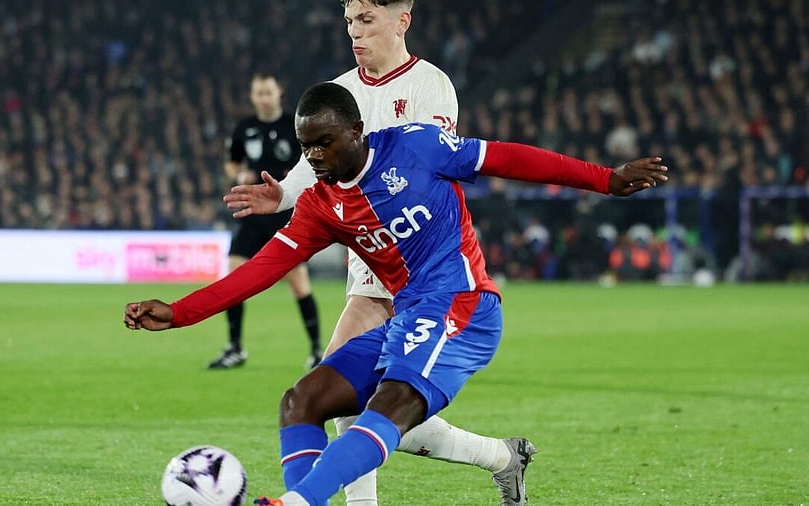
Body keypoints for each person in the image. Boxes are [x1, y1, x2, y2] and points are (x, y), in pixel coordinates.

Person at [124, 82, 670, 505]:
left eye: (324, 143)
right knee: (301, 402)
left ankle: (296, 500)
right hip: (408, 317)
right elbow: (261, 269)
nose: (313, 157)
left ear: (356, 130)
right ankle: (495, 459)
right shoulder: (320, 205)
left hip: (464, 306)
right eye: (305, 146)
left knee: (390, 407)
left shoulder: (419, 147)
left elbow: (510, 158)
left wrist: (606, 178)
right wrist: (179, 313)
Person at [222, 2, 532, 504]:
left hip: (422, 267)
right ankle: (500, 457)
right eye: (349, 22)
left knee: (365, 406)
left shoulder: (430, 85)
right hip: (368, 270)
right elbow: (317, 167)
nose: (354, 32)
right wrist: (281, 194)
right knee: (341, 402)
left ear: (401, 21)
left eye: (366, 20)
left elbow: (424, 161)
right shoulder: (340, 92)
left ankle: (499, 457)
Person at [210, 72, 323, 370]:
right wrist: (237, 175)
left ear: (279, 93)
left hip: (286, 213)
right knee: (232, 276)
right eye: (258, 93)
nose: (263, 98)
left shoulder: (293, 126)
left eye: (268, 92)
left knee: (298, 283)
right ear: (252, 95)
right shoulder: (244, 128)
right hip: (253, 212)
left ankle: (316, 351)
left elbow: (312, 159)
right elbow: (232, 162)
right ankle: (234, 347)